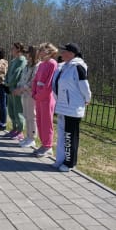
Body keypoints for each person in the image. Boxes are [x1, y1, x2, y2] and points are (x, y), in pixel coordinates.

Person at [52, 43, 91, 172]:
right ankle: (61, 159)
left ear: (72, 53)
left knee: (70, 136)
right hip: (63, 106)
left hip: (73, 108)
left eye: (64, 51)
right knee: (63, 135)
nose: (61, 53)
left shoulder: (78, 67)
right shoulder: (65, 67)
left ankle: (70, 163)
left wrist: (87, 99)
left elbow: (85, 87)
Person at [32, 43, 58, 157]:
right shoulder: (42, 64)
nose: (39, 51)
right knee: (40, 121)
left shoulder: (53, 63)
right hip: (38, 97)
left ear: (48, 51)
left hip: (47, 98)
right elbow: (35, 79)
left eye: (42, 50)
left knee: (47, 122)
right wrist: (34, 93)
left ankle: (48, 146)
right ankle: (43, 144)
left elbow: (49, 84)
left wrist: (40, 95)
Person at [13, 45, 40, 148]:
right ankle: (28, 136)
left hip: (31, 94)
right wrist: (18, 88)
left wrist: (22, 88)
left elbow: (33, 81)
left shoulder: (37, 65)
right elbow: (22, 78)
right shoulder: (28, 65)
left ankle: (32, 138)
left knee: (32, 116)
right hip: (24, 93)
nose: (26, 54)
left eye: (28, 52)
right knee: (26, 115)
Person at [4, 42, 27, 140]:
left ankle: (20, 131)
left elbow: (17, 74)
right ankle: (14, 128)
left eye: (13, 48)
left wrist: (9, 83)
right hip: (10, 88)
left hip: (16, 88)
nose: (11, 50)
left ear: (18, 49)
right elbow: (8, 73)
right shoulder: (13, 61)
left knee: (18, 110)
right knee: (11, 110)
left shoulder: (22, 60)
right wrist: (6, 82)